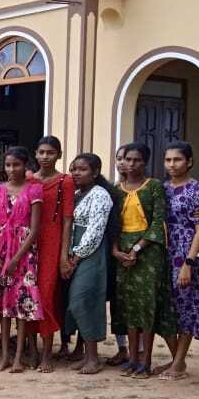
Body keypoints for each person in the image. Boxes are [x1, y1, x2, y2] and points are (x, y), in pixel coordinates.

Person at [114, 142, 175, 379]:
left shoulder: (154, 187)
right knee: (129, 307)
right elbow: (114, 226)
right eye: (127, 159)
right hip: (123, 254)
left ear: (145, 162)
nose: (131, 164)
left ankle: (146, 362)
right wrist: (117, 251)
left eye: (136, 160)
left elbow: (159, 222)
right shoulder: (117, 189)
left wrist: (137, 249)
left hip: (149, 252)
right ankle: (133, 358)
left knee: (146, 306)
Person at [0, 148, 44, 373]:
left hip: (24, 254)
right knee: (3, 305)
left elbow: (35, 229)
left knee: (21, 304)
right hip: (0, 251)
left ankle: (19, 357)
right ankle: (4, 356)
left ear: (25, 166)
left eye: (16, 165)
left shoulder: (34, 190)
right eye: (8, 165)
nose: (11, 170)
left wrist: (17, 258)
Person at [157, 141, 199, 381]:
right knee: (166, 307)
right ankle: (177, 358)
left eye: (177, 160)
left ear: (188, 161)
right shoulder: (162, 188)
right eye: (168, 160)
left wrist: (189, 262)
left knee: (185, 306)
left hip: (186, 252)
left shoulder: (196, 190)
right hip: (164, 251)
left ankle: (178, 363)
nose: (171, 164)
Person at [63, 154, 114, 375]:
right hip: (74, 253)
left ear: (94, 172)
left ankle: (94, 358)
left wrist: (76, 256)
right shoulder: (76, 194)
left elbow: (95, 230)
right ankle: (84, 354)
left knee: (83, 300)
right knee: (75, 302)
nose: (76, 173)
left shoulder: (100, 195)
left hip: (90, 254)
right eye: (73, 169)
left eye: (82, 169)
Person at [29, 136, 74, 372]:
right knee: (28, 295)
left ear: (59, 155)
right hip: (27, 241)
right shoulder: (27, 179)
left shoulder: (65, 181)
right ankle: (31, 350)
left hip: (52, 242)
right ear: (35, 154)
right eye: (42, 152)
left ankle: (47, 353)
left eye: (51, 152)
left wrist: (63, 255)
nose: (45, 157)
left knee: (45, 296)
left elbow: (67, 219)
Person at [105, 145, 131, 367]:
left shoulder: (148, 188)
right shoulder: (112, 189)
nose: (123, 163)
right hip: (114, 251)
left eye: (128, 159)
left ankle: (140, 349)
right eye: (120, 158)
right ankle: (122, 348)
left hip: (137, 250)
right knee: (117, 302)